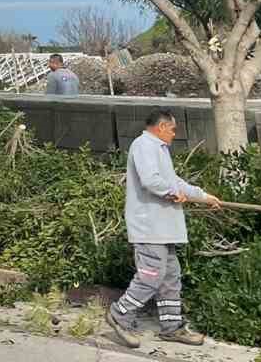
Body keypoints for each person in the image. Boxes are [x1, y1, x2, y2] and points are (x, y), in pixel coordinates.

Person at [105, 110, 220, 348]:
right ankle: (120, 314)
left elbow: (174, 181)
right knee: (150, 277)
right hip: (149, 226)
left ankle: (171, 327)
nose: (174, 134)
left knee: (170, 279)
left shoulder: (159, 149)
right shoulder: (144, 146)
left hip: (163, 228)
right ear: (161, 127)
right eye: (173, 129)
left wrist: (203, 196)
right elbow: (151, 180)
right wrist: (170, 193)